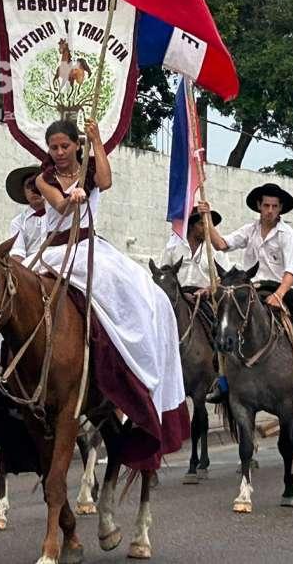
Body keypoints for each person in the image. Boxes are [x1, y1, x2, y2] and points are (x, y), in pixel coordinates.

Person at [33, 118, 189, 465]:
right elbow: (59, 205)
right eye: (53, 147)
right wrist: (71, 197)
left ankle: (130, 362)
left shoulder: (89, 168)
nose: (59, 152)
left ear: (76, 145)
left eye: (65, 146)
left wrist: (97, 140)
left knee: (128, 292)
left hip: (88, 248)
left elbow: (105, 181)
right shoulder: (43, 178)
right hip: (56, 251)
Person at [200, 184, 293, 394]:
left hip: (282, 289)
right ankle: (221, 378)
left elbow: (291, 272)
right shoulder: (249, 230)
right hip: (253, 288)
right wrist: (207, 218)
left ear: (280, 208)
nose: (270, 210)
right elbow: (221, 244)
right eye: (266, 205)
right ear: (259, 206)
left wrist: (279, 295)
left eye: (274, 206)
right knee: (225, 320)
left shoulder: (287, 234)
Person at [162, 208, 230, 294]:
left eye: (209, 224)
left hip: (205, 297)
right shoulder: (173, 246)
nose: (206, 228)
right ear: (191, 226)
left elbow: (225, 279)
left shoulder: (217, 250)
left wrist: (207, 290)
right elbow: (163, 273)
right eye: (202, 224)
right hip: (177, 295)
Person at [4, 165, 47, 261]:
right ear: (23, 191)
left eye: (37, 185)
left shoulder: (59, 215)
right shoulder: (18, 222)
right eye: (29, 186)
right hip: (29, 266)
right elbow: (17, 253)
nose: (33, 190)